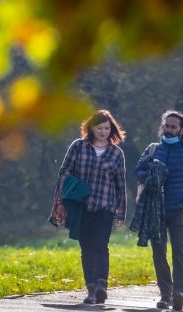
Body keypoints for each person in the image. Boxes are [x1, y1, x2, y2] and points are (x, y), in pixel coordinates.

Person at [50, 109, 127, 304]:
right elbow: (64, 170)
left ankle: (102, 285)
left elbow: (120, 184)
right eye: (99, 128)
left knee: (101, 245)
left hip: (105, 205)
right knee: (86, 248)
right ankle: (91, 289)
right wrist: (72, 184)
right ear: (91, 128)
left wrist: (120, 212)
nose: (103, 132)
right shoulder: (78, 147)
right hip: (81, 206)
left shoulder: (116, 153)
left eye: (107, 128)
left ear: (112, 130)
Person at [136, 110, 183, 311]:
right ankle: (165, 295)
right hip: (155, 210)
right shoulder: (153, 149)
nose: (169, 129)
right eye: (167, 126)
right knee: (158, 253)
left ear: (182, 130)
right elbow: (138, 170)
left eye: (173, 127)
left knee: (179, 252)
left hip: (179, 210)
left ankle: (178, 293)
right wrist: (150, 173)